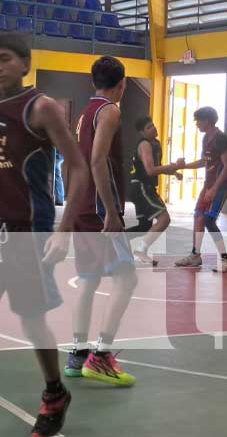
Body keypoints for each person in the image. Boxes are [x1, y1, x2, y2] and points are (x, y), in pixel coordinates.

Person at [0, 33, 88, 436]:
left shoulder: (40, 107)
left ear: (24, 64)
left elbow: (78, 166)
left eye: (3, 59)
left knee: (32, 319)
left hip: (26, 232)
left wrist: (64, 228)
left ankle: (55, 392)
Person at [64, 56, 138, 386]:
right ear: (121, 85)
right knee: (127, 280)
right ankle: (101, 355)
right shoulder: (110, 111)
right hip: (97, 209)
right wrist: (110, 210)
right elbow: (97, 161)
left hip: (81, 204)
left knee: (88, 280)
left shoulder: (85, 112)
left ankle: (78, 353)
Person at [174, 106, 227, 272]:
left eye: (198, 121)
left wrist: (215, 188)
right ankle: (195, 255)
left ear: (207, 121)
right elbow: (203, 162)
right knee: (198, 217)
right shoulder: (206, 138)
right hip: (209, 184)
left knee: (208, 220)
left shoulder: (221, 139)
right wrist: (184, 166)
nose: (196, 124)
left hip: (221, 185)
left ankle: (225, 260)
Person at [126, 116, 182, 265]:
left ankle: (118, 240)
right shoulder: (144, 145)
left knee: (144, 227)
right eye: (149, 127)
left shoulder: (155, 143)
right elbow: (150, 171)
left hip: (143, 187)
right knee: (164, 219)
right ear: (142, 132)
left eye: (154, 125)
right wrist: (171, 167)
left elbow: (157, 166)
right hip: (141, 187)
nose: (154, 128)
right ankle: (141, 251)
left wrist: (172, 172)